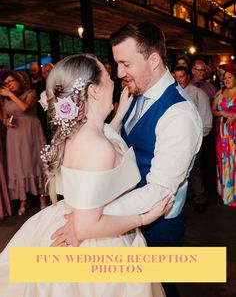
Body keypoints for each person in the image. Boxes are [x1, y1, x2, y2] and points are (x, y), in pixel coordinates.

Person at [0, 54, 172, 297]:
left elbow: (105, 141)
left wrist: (119, 114)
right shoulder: (95, 146)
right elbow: (87, 226)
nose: (114, 80)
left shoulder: (84, 131)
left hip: (66, 217)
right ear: (93, 90)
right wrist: (143, 219)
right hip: (97, 242)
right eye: (106, 74)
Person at [52, 22, 202, 297]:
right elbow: (119, 142)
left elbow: (160, 191)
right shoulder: (134, 94)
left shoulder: (179, 115)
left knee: (160, 288)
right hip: (120, 221)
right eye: (116, 64)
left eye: (125, 64)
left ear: (154, 59)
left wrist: (92, 220)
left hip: (157, 225)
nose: (119, 73)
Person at [0, 71, 47, 214]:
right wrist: (6, 122)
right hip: (14, 135)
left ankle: (42, 197)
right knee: (18, 165)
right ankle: (23, 199)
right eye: (6, 84)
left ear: (19, 80)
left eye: (11, 82)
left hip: (31, 132)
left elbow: (25, 107)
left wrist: (9, 94)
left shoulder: (30, 92)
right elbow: (4, 117)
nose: (8, 85)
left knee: (34, 162)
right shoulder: (4, 100)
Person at [174, 66, 212, 213]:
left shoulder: (198, 94)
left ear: (188, 77)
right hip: (178, 139)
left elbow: (206, 118)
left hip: (195, 138)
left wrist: (198, 138)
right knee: (181, 170)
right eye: (176, 76)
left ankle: (200, 199)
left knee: (195, 170)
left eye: (181, 76)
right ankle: (187, 195)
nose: (178, 80)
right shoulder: (173, 93)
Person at [212, 64, 236, 206]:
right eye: (224, 78)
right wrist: (222, 113)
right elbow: (213, 110)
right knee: (225, 163)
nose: (226, 80)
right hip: (222, 134)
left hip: (234, 134)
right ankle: (228, 194)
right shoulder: (219, 93)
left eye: (229, 77)